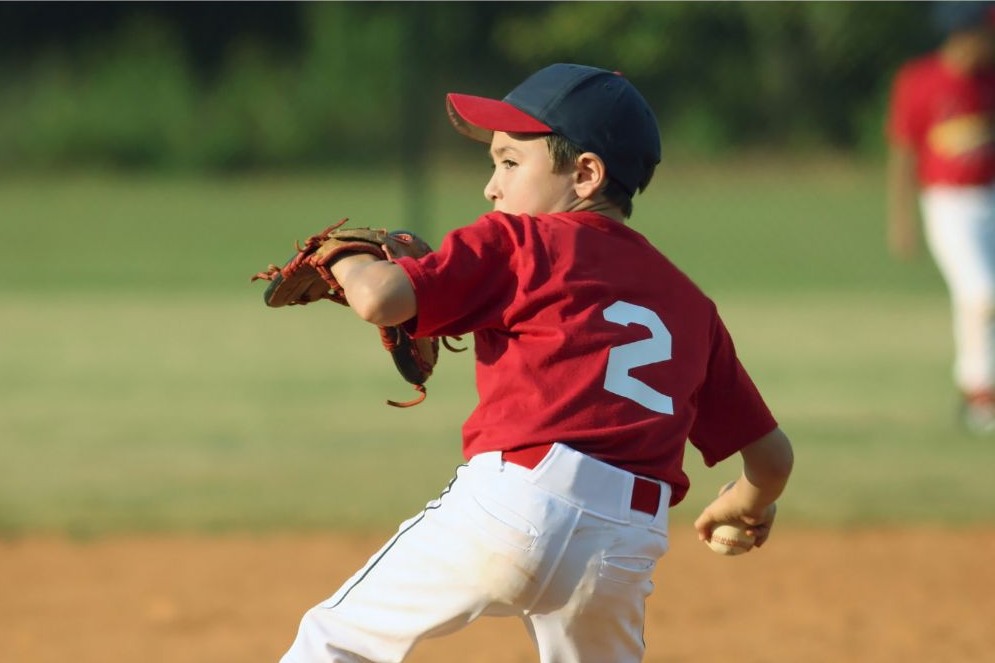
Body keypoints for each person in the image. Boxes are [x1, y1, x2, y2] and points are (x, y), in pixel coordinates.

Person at [280, 63, 794, 663]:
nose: (491, 188)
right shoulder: (690, 303)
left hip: (513, 506)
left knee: (338, 639)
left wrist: (345, 257)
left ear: (584, 174)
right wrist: (748, 504)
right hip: (625, 543)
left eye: (509, 162)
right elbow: (772, 457)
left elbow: (379, 298)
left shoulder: (520, 241)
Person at [886, 1, 995, 434]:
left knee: (978, 301)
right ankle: (977, 391)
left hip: (990, 198)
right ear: (965, 34)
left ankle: (981, 393)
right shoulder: (921, 79)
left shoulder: (990, 81)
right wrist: (902, 219)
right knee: (982, 294)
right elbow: (903, 152)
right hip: (948, 204)